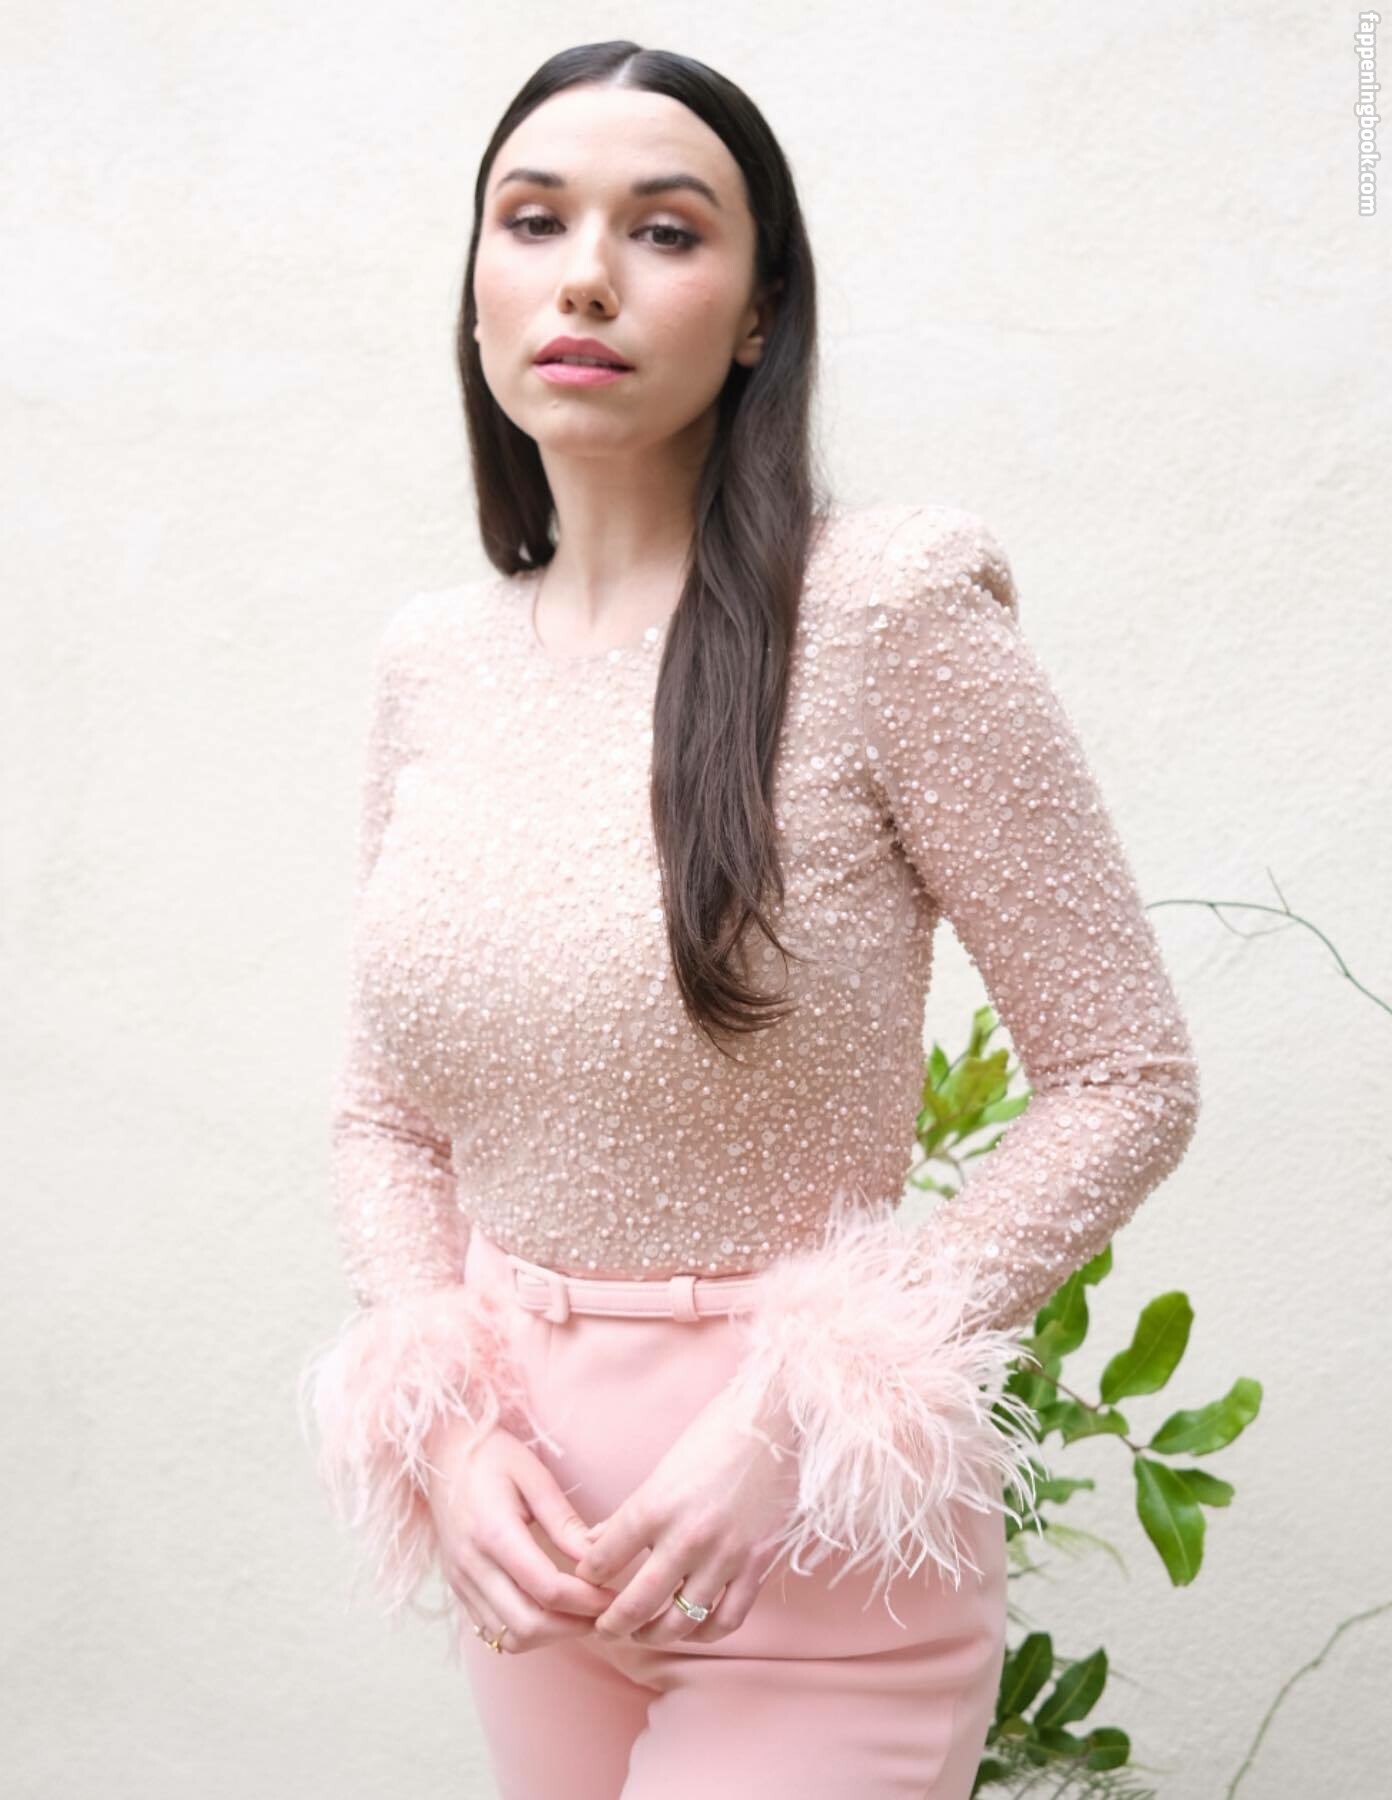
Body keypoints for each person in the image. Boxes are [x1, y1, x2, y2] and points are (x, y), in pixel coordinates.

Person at [296, 38, 1201, 1800]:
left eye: (666, 231)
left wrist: (789, 1423)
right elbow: (382, 1116)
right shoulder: (434, 662)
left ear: (761, 311)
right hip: (535, 1558)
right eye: (534, 220)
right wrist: (450, 1437)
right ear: (476, 287)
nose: (586, 276)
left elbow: (1125, 1077)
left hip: (812, 1544)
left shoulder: (887, 613)